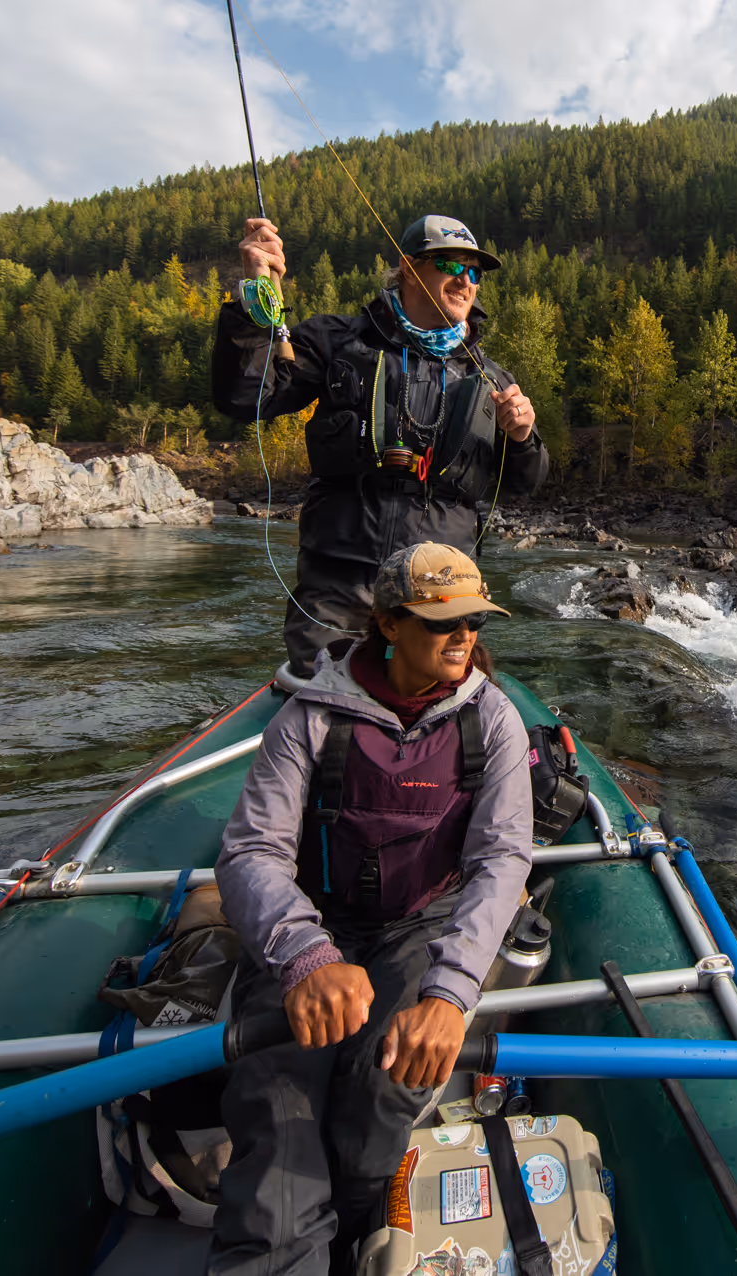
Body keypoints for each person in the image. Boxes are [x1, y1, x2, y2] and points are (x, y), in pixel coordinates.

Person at [208, 542, 534, 1276]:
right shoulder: (308, 719)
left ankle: (352, 1221)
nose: (463, 637)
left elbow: (499, 862)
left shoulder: (496, 723)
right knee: (276, 1103)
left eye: (475, 621)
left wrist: (451, 994)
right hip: (311, 926)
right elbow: (252, 854)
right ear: (389, 624)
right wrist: (306, 958)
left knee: (386, 1085)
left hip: (418, 927)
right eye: (442, 621)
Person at [213, 213, 549, 686]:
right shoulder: (338, 341)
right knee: (327, 708)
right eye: (451, 265)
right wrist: (255, 295)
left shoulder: (492, 379)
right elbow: (247, 395)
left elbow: (524, 483)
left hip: (442, 588)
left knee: (437, 713)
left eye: (474, 272)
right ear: (409, 268)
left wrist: (522, 438)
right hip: (341, 581)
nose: (466, 281)